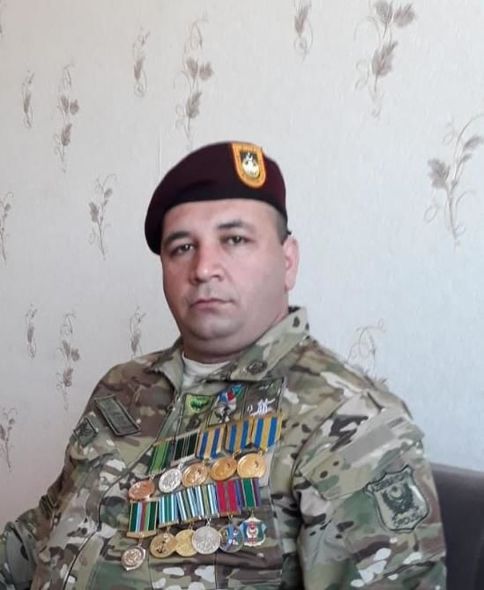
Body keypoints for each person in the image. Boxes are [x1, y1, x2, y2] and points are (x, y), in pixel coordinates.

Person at [0, 141, 446, 589]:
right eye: (182, 247)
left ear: (287, 261)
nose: (203, 267)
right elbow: (47, 528)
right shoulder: (124, 387)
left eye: (234, 240)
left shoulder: (350, 420)